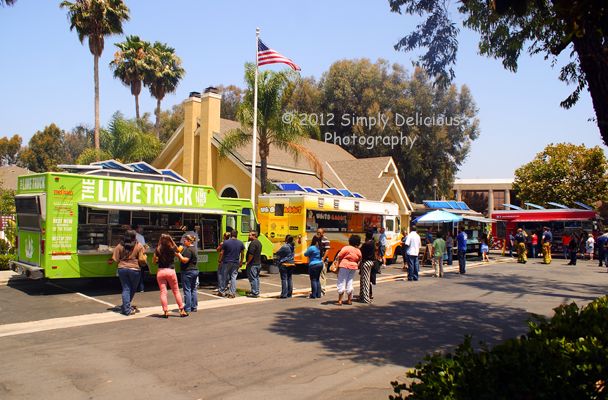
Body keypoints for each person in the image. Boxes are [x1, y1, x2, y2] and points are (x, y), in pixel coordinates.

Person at [108, 230, 146, 316]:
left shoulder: (119, 246)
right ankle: (126, 309)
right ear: (134, 237)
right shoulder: (138, 245)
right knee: (132, 289)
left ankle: (126, 306)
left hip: (122, 269)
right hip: (135, 269)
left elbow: (116, 259)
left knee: (126, 288)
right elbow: (142, 257)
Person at [154, 234, 187, 318]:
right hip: (171, 271)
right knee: (176, 291)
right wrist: (171, 240)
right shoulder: (172, 249)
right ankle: (182, 310)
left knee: (163, 292)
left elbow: (154, 262)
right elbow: (178, 250)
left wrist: (160, 242)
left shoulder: (158, 249)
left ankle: (165, 311)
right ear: (169, 241)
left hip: (161, 271)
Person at [335, 235, 362, 305]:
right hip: (353, 267)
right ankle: (349, 300)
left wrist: (337, 265)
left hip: (344, 266)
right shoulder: (358, 250)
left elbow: (339, 256)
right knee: (350, 282)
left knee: (341, 282)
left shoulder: (346, 248)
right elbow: (360, 259)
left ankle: (340, 300)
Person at [218, 230, 245, 299]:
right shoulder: (240, 243)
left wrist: (219, 260)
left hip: (226, 262)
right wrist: (241, 261)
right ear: (237, 235)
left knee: (224, 276)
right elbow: (242, 253)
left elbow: (221, 252)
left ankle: (222, 291)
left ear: (231, 235)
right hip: (236, 262)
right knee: (233, 277)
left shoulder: (226, 242)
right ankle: (232, 293)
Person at [175, 234, 198, 313]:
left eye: (184, 241)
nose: (183, 242)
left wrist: (179, 255)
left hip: (188, 271)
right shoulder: (194, 248)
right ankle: (194, 306)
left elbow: (185, 260)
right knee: (193, 289)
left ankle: (187, 308)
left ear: (189, 241)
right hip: (194, 270)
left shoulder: (188, 249)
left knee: (187, 290)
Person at [359, 231, 376, 303]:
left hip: (365, 262)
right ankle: (362, 296)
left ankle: (365, 298)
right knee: (364, 279)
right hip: (371, 262)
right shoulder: (373, 243)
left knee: (365, 280)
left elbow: (361, 252)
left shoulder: (366, 244)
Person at [245, 231, 262, 298]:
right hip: (258, 263)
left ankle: (254, 292)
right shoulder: (259, 242)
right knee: (256, 278)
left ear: (254, 235)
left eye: (250, 235)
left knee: (253, 278)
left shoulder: (253, 243)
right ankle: (256, 291)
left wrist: (248, 262)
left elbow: (251, 254)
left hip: (253, 264)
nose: (248, 236)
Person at [316, 229, 331, 296]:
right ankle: (317, 290)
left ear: (323, 233)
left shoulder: (325, 239)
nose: (318, 233)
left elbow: (327, 250)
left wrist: (323, 259)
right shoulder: (316, 239)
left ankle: (322, 290)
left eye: (319, 232)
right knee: (316, 275)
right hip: (316, 259)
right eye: (317, 232)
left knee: (322, 275)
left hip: (323, 260)